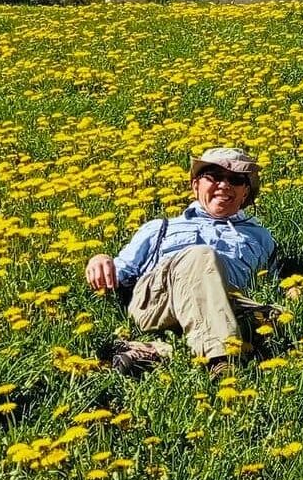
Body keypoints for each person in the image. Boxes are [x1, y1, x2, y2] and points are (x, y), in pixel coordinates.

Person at [85, 147, 277, 376]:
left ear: (245, 192)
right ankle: (223, 362)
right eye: (214, 176)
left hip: (225, 304)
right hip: (159, 301)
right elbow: (120, 273)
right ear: (196, 185)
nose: (224, 185)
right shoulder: (159, 227)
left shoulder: (261, 237)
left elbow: (271, 283)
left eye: (235, 179)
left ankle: (156, 351)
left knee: (275, 316)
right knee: (201, 256)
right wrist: (100, 259)